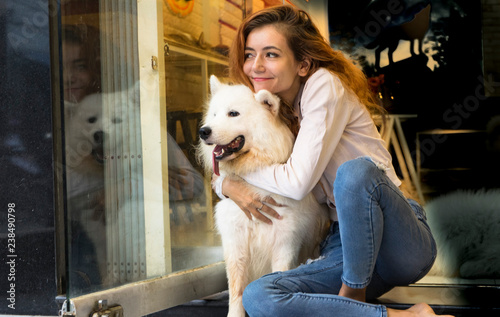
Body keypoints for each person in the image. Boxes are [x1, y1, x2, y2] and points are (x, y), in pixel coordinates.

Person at [212, 5, 453, 317]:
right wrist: (226, 185)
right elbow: (240, 163)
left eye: (270, 54)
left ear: (303, 63)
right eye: (249, 54)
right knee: (260, 296)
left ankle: (353, 294)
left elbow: (296, 183)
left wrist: (231, 180)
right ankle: (403, 316)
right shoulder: (273, 108)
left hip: (398, 239)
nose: (255, 65)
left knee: (354, 173)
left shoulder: (323, 84)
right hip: (343, 243)